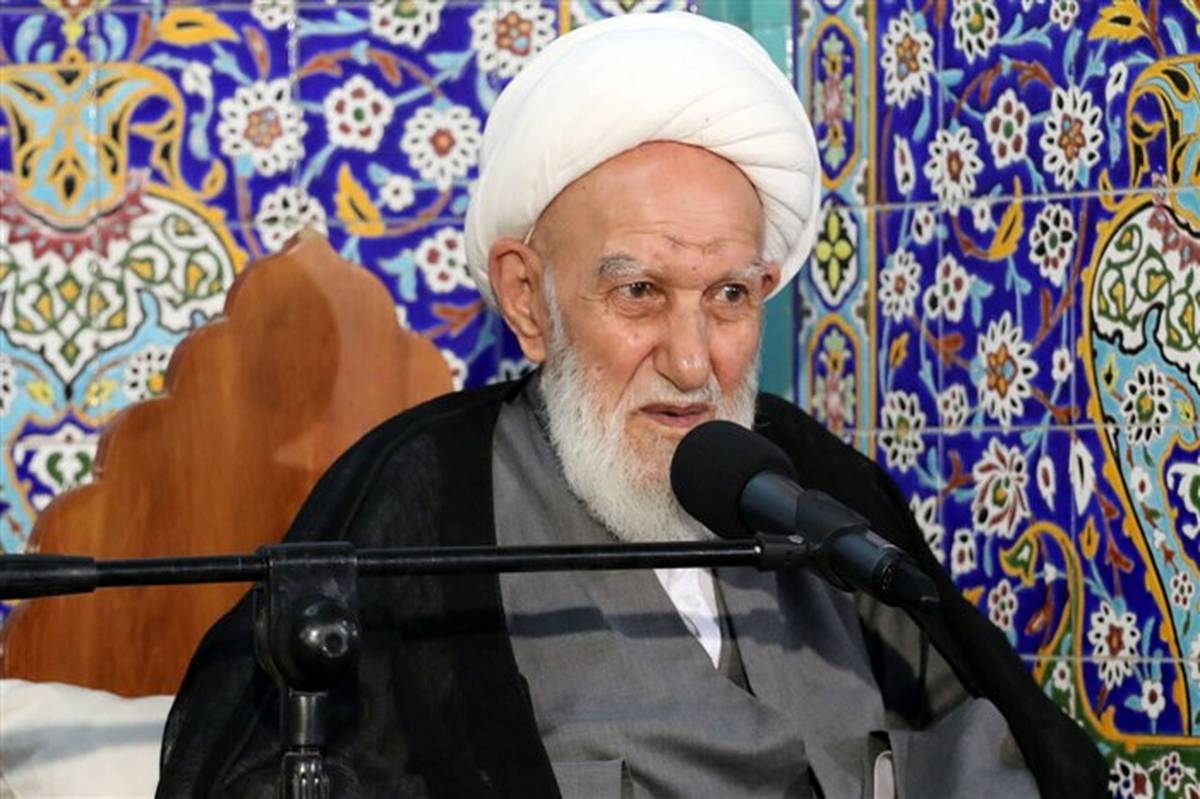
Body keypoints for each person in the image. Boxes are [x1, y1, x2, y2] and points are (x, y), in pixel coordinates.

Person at [157, 13, 1106, 798]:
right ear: (529, 300)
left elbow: (1001, 743)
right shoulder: (424, 494)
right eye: (640, 292)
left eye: (729, 295)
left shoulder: (816, 480)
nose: (692, 362)